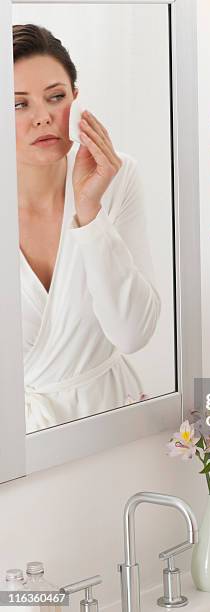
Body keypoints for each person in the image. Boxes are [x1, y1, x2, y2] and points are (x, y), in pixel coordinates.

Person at [13, 24, 161, 433]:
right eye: (18, 104)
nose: (42, 117)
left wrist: (91, 211)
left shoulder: (118, 175)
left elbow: (133, 333)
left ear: (76, 99)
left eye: (55, 97)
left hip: (110, 417)